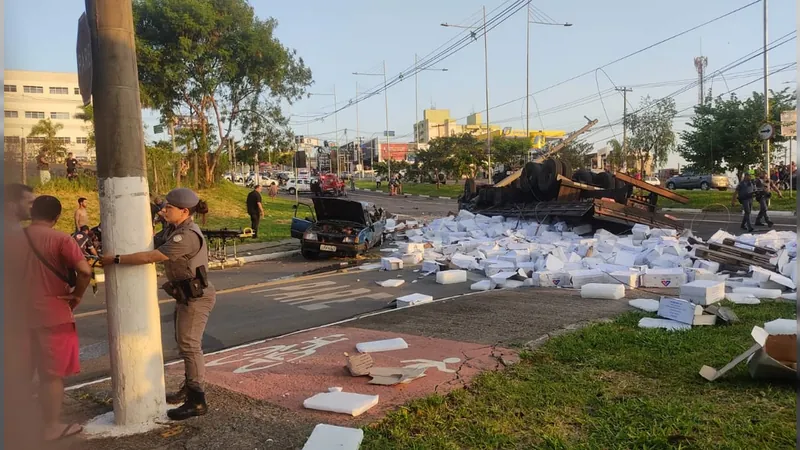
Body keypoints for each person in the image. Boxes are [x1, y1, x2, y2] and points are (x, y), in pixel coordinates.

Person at [101, 188, 215, 421]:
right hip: (185, 295)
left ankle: (197, 400)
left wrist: (116, 259)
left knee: (190, 346)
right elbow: (150, 241)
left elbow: (153, 255)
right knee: (185, 345)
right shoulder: (174, 229)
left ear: (184, 211)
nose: (164, 210)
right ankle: (189, 388)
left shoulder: (187, 236)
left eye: (169, 208)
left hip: (196, 297)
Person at [24, 195, 93, 441]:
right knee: (50, 375)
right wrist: (77, 295)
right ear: (56, 216)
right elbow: (84, 271)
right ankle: (50, 426)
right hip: (54, 315)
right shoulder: (61, 239)